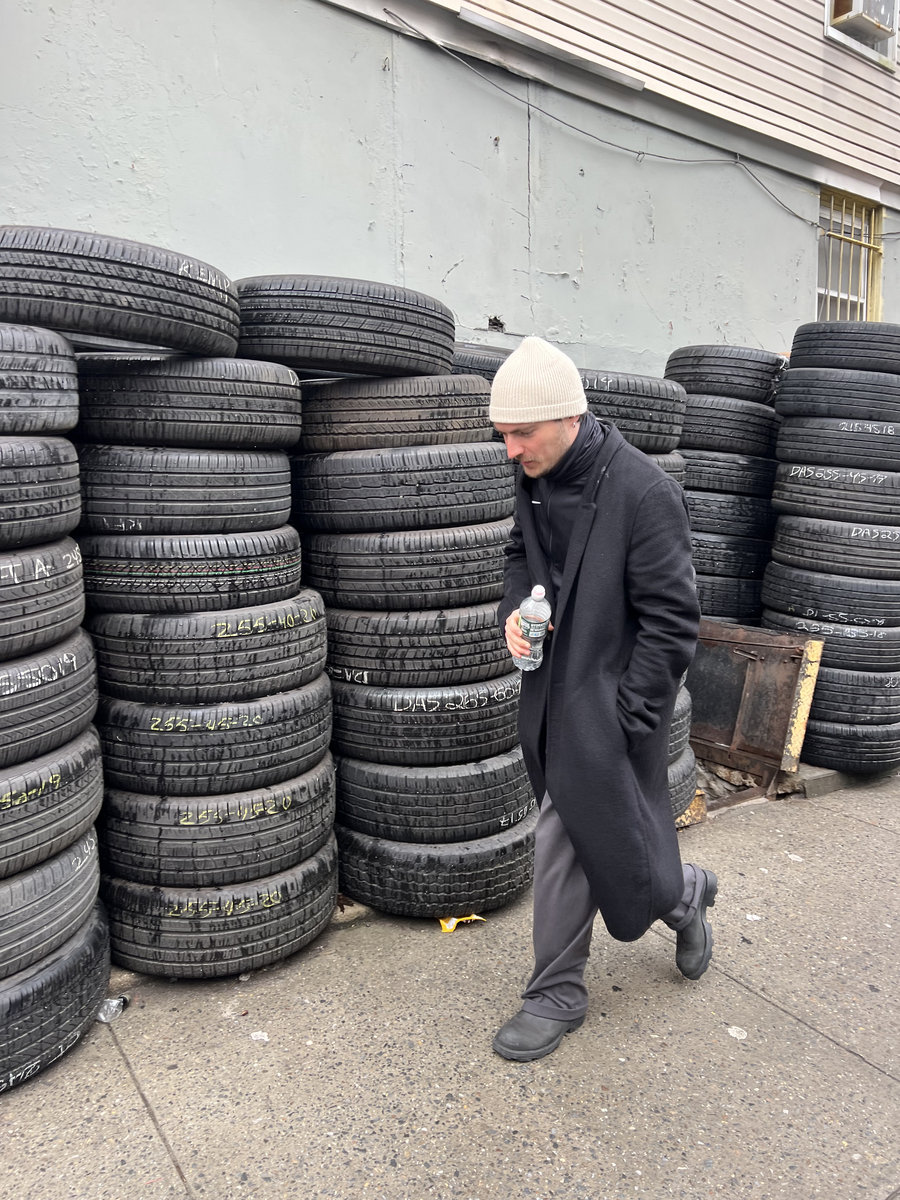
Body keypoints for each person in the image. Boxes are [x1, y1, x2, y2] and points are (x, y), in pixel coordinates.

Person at [490, 336, 717, 1063]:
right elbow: (521, 554)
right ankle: (685, 894)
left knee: (563, 830)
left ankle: (555, 994)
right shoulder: (535, 474)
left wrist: (626, 719)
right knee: (607, 839)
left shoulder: (644, 492)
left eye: (521, 433)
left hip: (610, 701)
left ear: (568, 417)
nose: (509, 449)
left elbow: (672, 621)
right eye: (502, 434)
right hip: (548, 692)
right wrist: (517, 613)